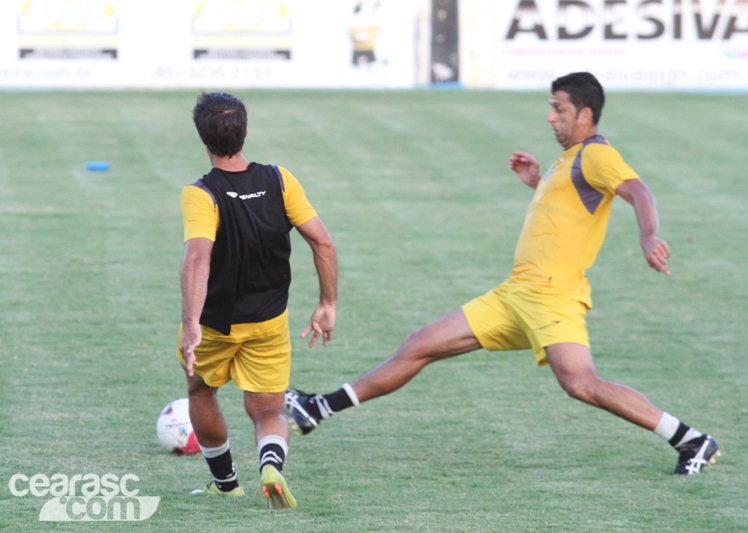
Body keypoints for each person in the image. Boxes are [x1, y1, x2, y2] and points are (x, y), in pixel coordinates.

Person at [285, 72, 720, 476]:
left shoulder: (597, 155)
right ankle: (318, 408)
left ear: (585, 115)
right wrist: (536, 180)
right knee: (421, 344)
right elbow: (568, 207)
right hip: (515, 296)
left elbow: (639, 192)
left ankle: (692, 440)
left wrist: (649, 238)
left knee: (582, 384)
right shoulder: (568, 159)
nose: (550, 117)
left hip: (552, 297)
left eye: (559, 109)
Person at [178, 92, 337, 508]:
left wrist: (191, 322)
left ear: (203, 139)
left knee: (201, 391)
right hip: (269, 320)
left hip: (215, 323)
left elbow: (198, 257)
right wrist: (327, 303)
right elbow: (322, 241)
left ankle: (226, 482)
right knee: (267, 407)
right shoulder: (280, 180)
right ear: (246, 132)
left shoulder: (201, 193)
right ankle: (270, 464)